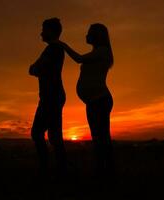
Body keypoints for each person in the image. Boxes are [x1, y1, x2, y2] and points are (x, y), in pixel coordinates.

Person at [58, 23, 114, 178]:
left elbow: (78, 59)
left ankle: (105, 173)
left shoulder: (102, 51)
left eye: (89, 33)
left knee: (101, 138)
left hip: (99, 100)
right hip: (94, 101)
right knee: (99, 138)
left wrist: (62, 44)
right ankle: (104, 172)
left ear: (97, 36)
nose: (86, 35)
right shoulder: (98, 52)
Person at [29, 18, 67, 178]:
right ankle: (59, 170)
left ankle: (48, 169)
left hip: (51, 96)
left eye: (44, 30)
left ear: (51, 31)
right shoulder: (55, 49)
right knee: (54, 136)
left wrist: (37, 68)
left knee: (38, 133)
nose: (41, 33)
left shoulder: (53, 49)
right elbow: (34, 69)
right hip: (52, 95)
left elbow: (34, 69)